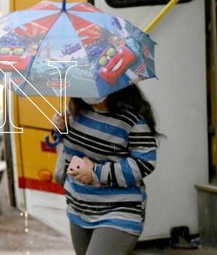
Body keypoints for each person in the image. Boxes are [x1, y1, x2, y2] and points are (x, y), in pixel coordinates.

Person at [51, 84, 161, 255]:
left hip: (118, 209)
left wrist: (96, 172)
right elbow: (72, 152)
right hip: (79, 205)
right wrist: (61, 130)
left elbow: (145, 162)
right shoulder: (75, 109)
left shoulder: (131, 119)